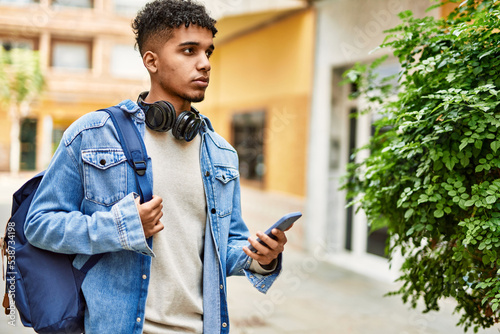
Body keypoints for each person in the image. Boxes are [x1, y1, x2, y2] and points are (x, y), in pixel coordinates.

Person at [24, 0, 291, 333]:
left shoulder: (222, 153)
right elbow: (39, 224)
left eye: (208, 52)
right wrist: (120, 228)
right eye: (189, 51)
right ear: (151, 60)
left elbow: (225, 247)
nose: (204, 64)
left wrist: (260, 259)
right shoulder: (93, 134)